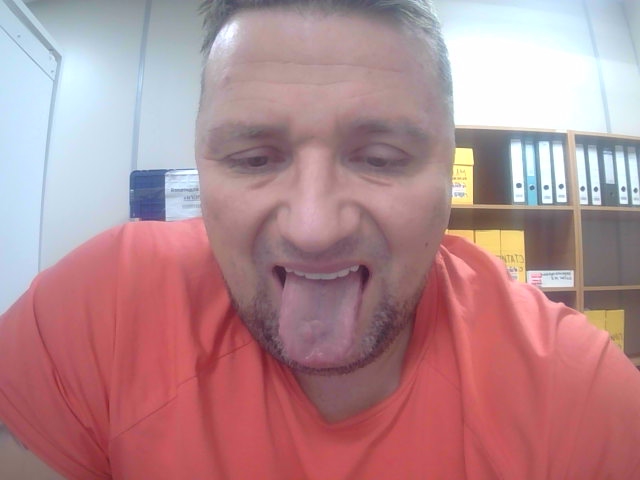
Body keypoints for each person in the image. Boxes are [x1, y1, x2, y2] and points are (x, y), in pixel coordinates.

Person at [1, 0, 640, 478]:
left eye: (380, 158)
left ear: (449, 173)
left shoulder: (576, 396)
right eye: (254, 158)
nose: (313, 228)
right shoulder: (102, 310)